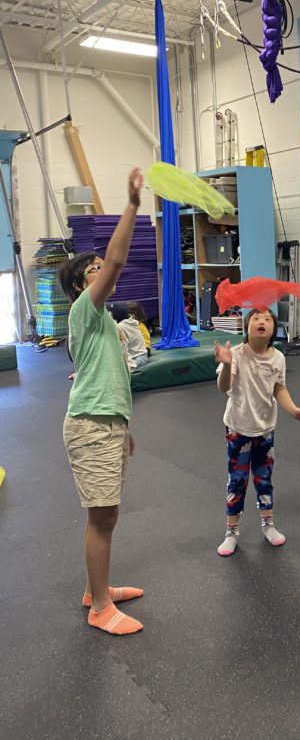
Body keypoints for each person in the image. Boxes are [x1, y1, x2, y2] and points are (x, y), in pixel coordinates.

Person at [58, 169, 145, 637]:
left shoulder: (103, 324)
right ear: (79, 287)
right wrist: (130, 204)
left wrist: (122, 424)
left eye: (98, 267)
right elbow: (115, 261)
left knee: (107, 513)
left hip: (104, 421)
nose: (102, 271)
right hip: (90, 426)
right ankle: (99, 608)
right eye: (91, 270)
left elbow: (104, 377)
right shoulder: (83, 309)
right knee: (102, 515)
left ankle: (98, 589)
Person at [214, 308, 300, 556]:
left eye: (267, 319)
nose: (262, 322)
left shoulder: (278, 357)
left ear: (273, 329)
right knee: (237, 480)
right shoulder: (236, 354)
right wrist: (226, 365)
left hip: (265, 429)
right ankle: (231, 531)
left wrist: (294, 410)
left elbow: (279, 388)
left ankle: (268, 523)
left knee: (264, 479)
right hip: (238, 428)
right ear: (247, 327)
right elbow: (223, 386)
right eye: (256, 318)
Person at [111, 302, 149, 370]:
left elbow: (123, 346)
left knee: (123, 369)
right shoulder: (132, 322)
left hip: (139, 355)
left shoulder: (121, 327)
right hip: (141, 353)